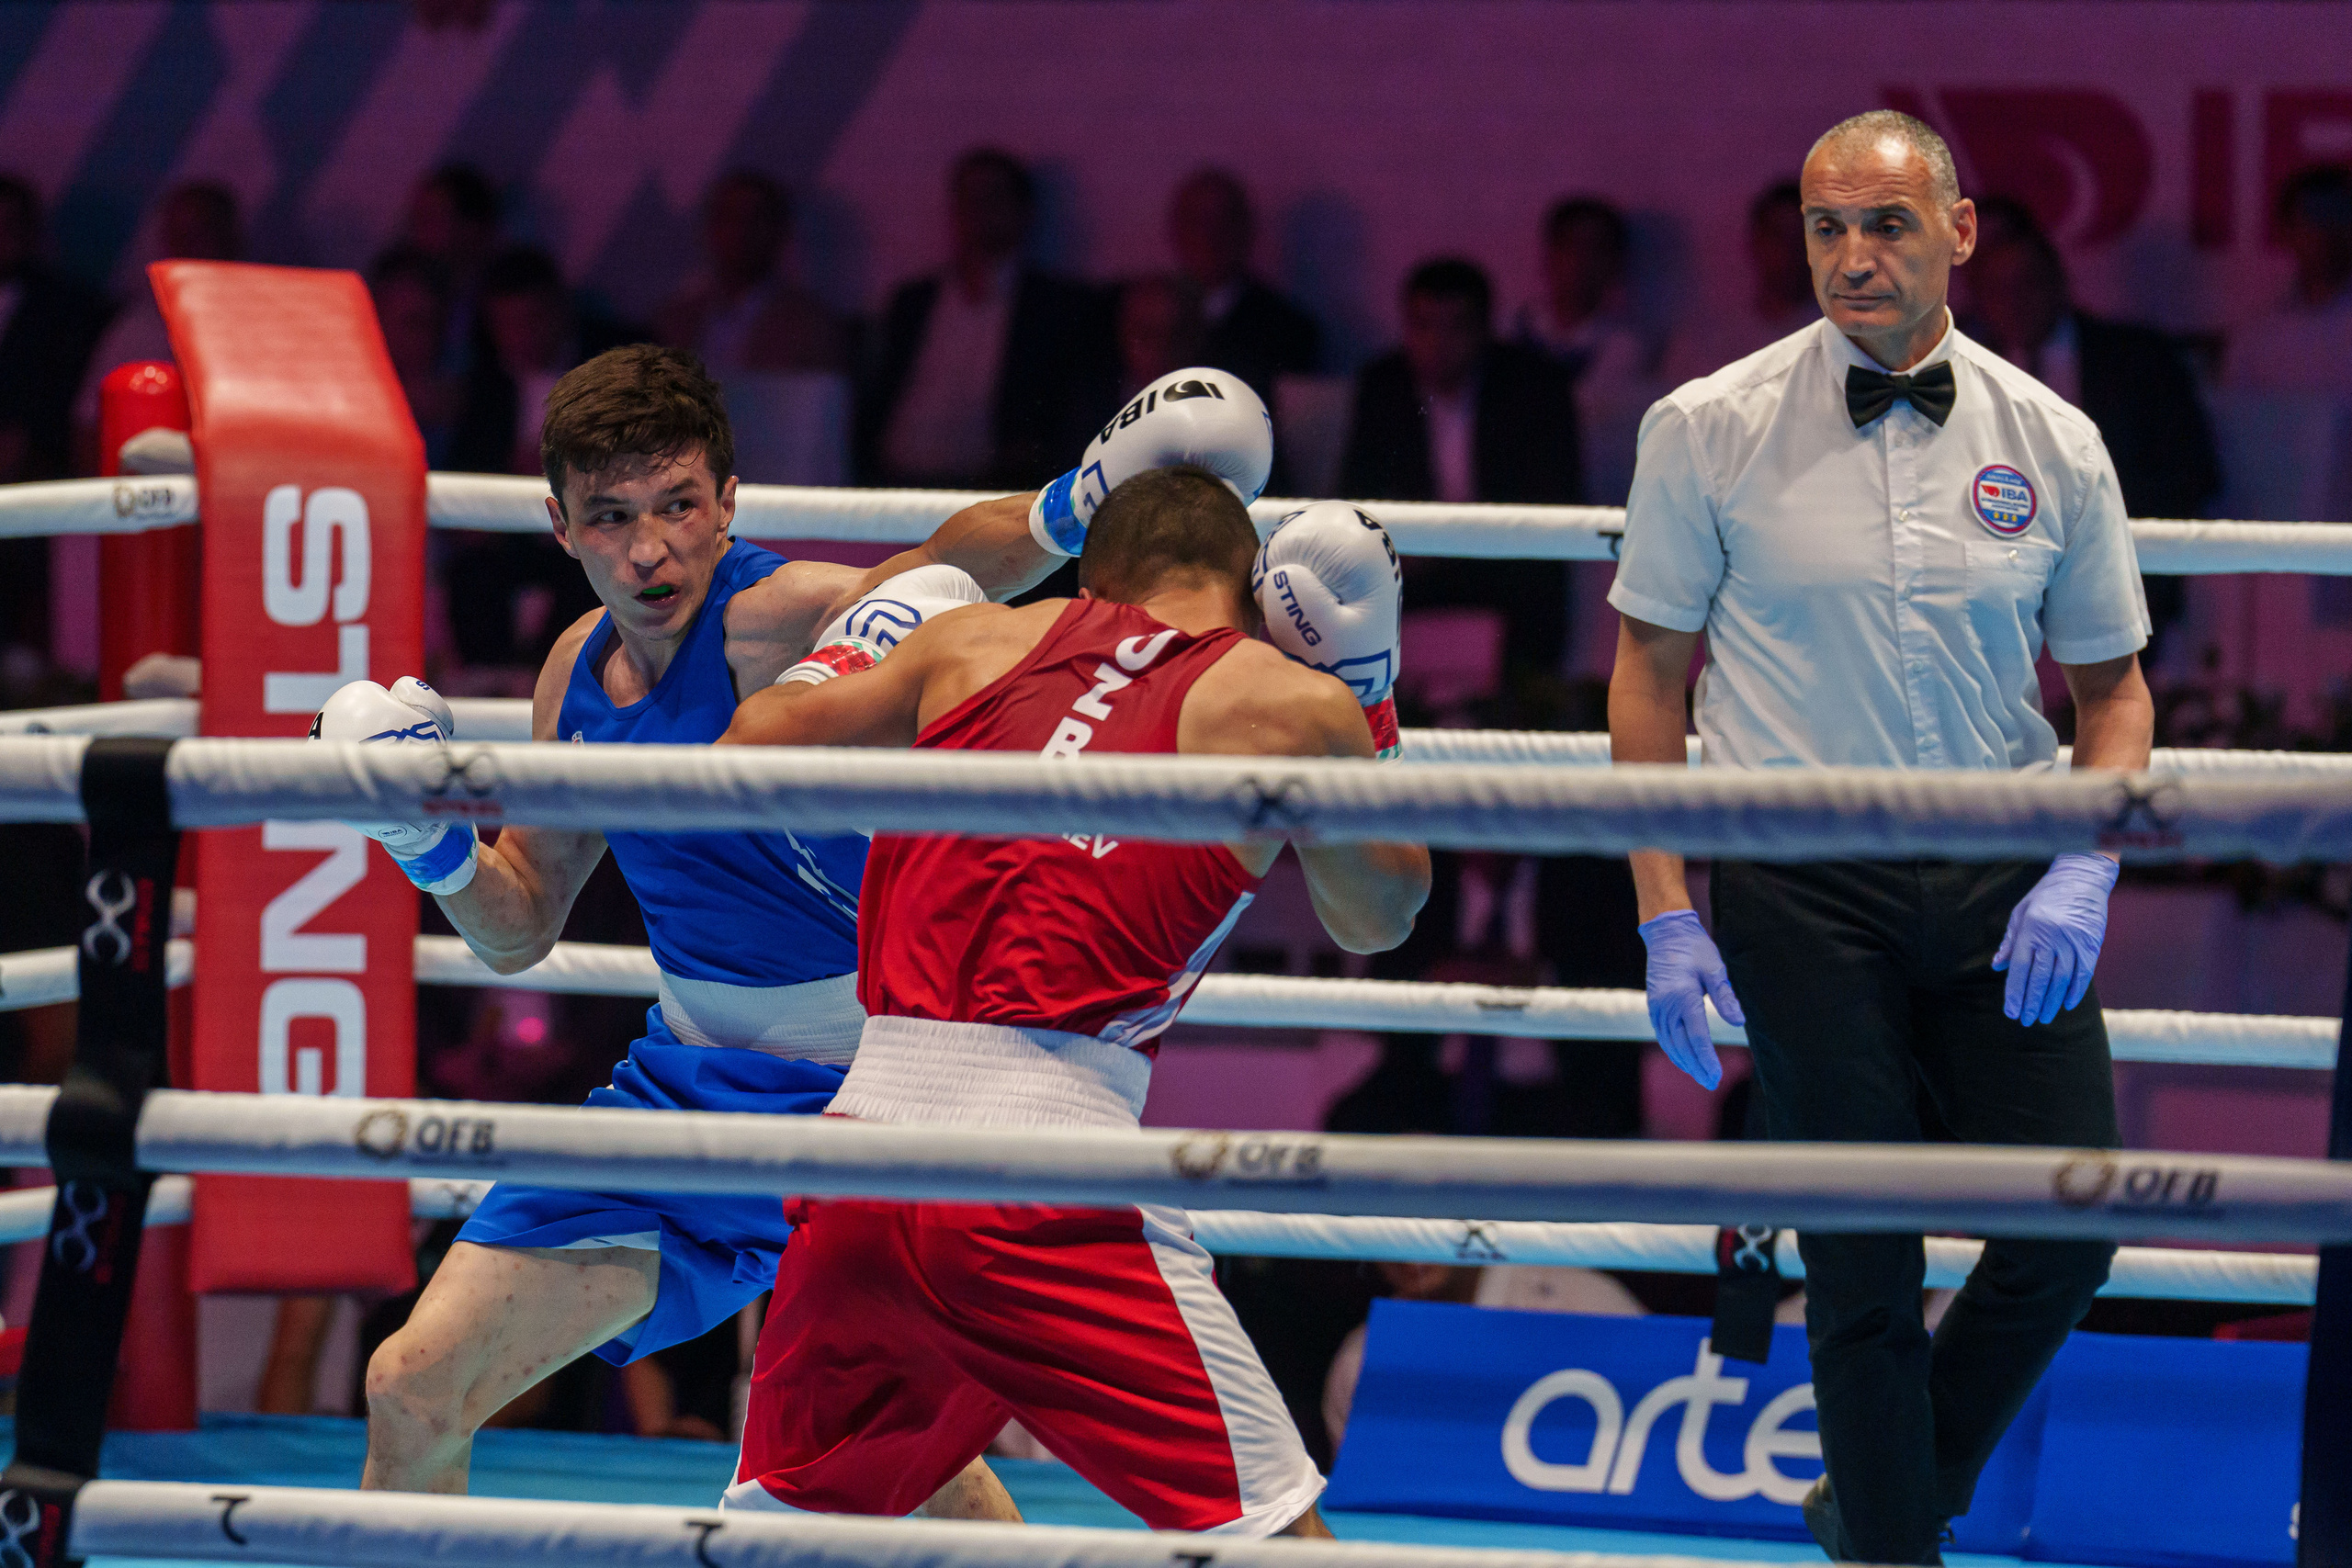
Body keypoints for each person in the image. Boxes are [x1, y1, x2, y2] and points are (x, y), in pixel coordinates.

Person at [336, 344, 1094, 1507]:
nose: (651, 550)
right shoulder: (572, 676)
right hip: (689, 1088)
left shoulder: (778, 618)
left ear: (728, 500)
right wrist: (423, 840)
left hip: (875, 1099)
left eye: (680, 505)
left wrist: (1074, 504)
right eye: (613, 516)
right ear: (560, 525)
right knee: (412, 1387)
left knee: (877, 1462)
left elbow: (946, 576)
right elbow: (518, 926)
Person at [1606, 111, 2152, 1564]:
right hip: (1799, 880)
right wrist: (1665, 910)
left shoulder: (2055, 439)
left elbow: (2115, 689)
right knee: (1859, 1257)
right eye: (1827, 227)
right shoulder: (1707, 425)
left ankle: (1884, 1493)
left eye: (1888, 225)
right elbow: (1649, 674)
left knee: (2069, 1227)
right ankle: (1892, 1549)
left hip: (2001, 873)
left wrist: (2086, 865)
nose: (1853, 256)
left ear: (1961, 232)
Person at [716, 466, 1430, 1537]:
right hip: (1046, 1181)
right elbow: (1383, 913)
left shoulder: (967, 645)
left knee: (782, 1537)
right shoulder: (1285, 701)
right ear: (1242, 592)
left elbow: (744, 759)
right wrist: (1365, 695)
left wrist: (862, 638)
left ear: (1090, 580)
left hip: (862, 1159)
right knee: (1273, 1536)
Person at [1964, 212, 2220, 653]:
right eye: (1997, 290)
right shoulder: (1961, 372)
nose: (2014, 301)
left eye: (2028, 283)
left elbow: (2192, 472)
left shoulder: (2137, 359)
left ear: (2060, 283)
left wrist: (2105, 537)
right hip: (1996, 589)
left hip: (2124, 574)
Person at [1340, 255, 1580, 682]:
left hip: (1505, 557)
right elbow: (1355, 490)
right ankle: (1385, 723)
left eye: (1456, 326)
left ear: (1485, 329)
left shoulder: (1533, 385)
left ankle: (1517, 721)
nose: (1438, 342)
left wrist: (1469, 540)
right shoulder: (1383, 386)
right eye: (1423, 325)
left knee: (1538, 586)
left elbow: (1556, 494)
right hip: (1410, 558)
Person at [858, 147, 1112, 489]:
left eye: (992, 196)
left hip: (993, 492)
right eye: (967, 198)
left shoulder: (1059, 307)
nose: (978, 210)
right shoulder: (914, 300)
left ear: (1024, 211)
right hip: (890, 483)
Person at [74, 181, 243, 446]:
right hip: (153, 475)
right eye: (177, 236)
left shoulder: (266, 324)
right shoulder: (137, 325)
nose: (186, 247)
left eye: (200, 234)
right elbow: (89, 421)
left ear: (231, 237)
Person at [1517, 196, 1657, 506]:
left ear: (1617, 261)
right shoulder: (1509, 340)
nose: (1582, 261)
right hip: (1522, 516)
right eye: (1571, 246)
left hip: (1601, 517)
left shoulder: (1640, 354)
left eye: (1597, 249)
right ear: (1549, 254)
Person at [655, 170, 846, 377]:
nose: (740, 232)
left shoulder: (809, 327)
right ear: (709, 229)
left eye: (753, 219)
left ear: (779, 231)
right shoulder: (674, 321)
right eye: (728, 218)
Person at [1166, 167, 1320, 404]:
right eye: (1196, 221)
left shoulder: (1287, 328)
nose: (1208, 236)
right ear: (1175, 230)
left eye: (1222, 222)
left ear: (1245, 230)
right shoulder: (1142, 312)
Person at [2229, 164, 2352, 394]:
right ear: (2286, 231)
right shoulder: (2258, 333)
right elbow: (2237, 419)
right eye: (2313, 219)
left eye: (2341, 215)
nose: (2327, 232)